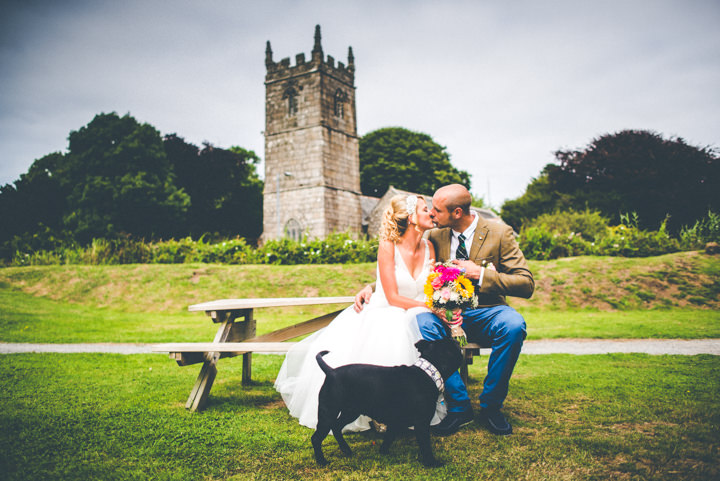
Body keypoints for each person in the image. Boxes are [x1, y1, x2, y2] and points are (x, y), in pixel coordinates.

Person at [355, 184, 534, 436]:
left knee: (514, 326)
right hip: (444, 312)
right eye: (429, 209)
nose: (432, 215)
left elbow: (526, 284)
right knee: (422, 322)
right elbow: (406, 269)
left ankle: (491, 406)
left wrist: (479, 273)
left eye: (436, 210)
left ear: (457, 212)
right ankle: (459, 407)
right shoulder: (436, 236)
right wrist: (373, 287)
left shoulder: (499, 232)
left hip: (487, 310)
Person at [274, 194, 442, 432]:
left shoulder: (430, 246)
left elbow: (431, 289)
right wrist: (430, 307)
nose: (432, 213)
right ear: (413, 218)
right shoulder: (388, 246)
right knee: (390, 338)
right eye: (426, 210)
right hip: (389, 310)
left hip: (417, 314)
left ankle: (412, 409)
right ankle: (377, 411)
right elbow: (392, 297)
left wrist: (439, 304)